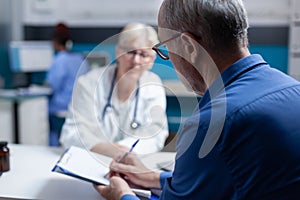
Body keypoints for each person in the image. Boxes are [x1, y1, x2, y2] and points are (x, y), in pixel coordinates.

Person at [95, 0, 300, 199]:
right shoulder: (294, 90)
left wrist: (122, 195)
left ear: (189, 46)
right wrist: (156, 178)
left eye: (165, 49)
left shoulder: (211, 126)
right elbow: (242, 177)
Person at [59, 22, 169, 158]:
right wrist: (107, 150)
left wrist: (124, 150)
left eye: (144, 55)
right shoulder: (89, 83)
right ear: (118, 52)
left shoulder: (154, 86)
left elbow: (156, 134)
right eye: (131, 52)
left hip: (133, 161)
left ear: (152, 59)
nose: (136, 60)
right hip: (91, 159)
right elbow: (72, 132)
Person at [46, 22, 89, 146]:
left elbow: (53, 85)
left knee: (46, 114)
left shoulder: (60, 60)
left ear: (55, 42)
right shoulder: (80, 59)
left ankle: (52, 146)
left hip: (61, 106)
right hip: (78, 106)